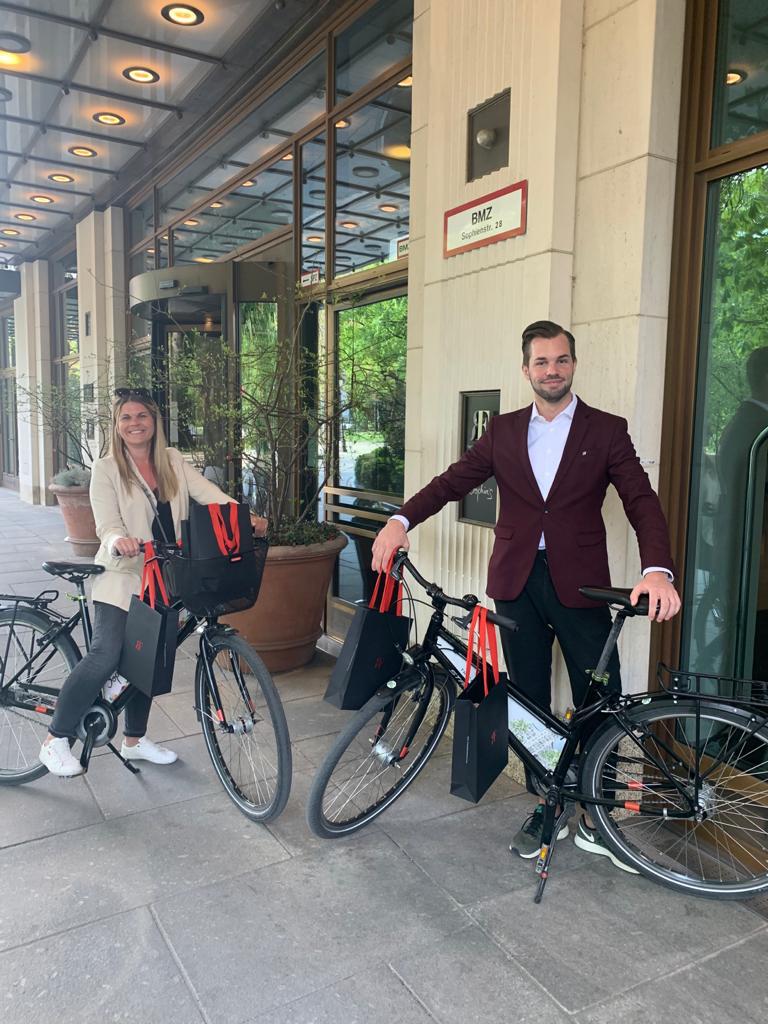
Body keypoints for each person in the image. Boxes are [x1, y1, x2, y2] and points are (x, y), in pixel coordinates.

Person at [372, 320, 681, 868]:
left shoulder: (606, 429)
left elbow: (641, 499)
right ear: (526, 370)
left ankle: (598, 816)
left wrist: (657, 569)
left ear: (573, 365)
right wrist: (400, 520)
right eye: (541, 362)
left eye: (561, 360)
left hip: (581, 584)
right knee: (530, 702)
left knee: (601, 696)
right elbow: (451, 483)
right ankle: (548, 804)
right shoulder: (504, 431)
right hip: (516, 584)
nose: (551, 370)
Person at [39, 388, 260, 778]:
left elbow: (210, 496)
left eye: (141, 415)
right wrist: (118, 540)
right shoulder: (108, 468)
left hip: (165, 576)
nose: (134, 423)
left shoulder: (171, 460)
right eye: (126, 417)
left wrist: (243, 517)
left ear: (154, 421)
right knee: (106, 655)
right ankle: (55, 739)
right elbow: (106, 524)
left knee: (147, 660)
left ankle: (134, 740)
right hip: (123, 574)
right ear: (117, 425)